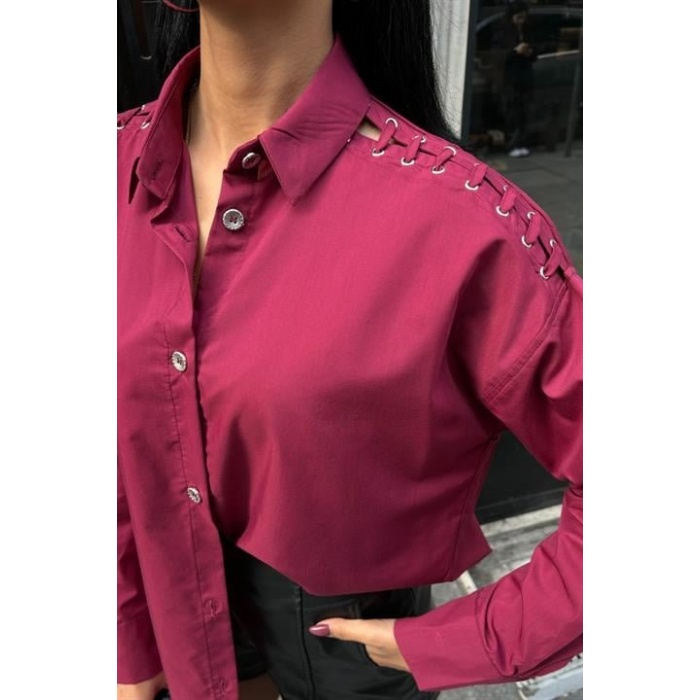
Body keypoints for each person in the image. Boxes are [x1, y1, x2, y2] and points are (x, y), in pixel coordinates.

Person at [117, 1, 583, 699]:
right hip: (169, 606)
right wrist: (127, 630)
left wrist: (472, 639)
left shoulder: (464, 225)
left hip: (340, 633)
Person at [493, 1, 538, 157]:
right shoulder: (503, 33)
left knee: (524, 111)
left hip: (525, 76)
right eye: (518, 18)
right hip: (510, 78)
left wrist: (529, 52)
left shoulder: (527, 31)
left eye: (523, 18)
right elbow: (499, 56)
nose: (521, 21)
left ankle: (521, 142)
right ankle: (512, 144)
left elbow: (536, 52)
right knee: (512, 112)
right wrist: (514, 51)